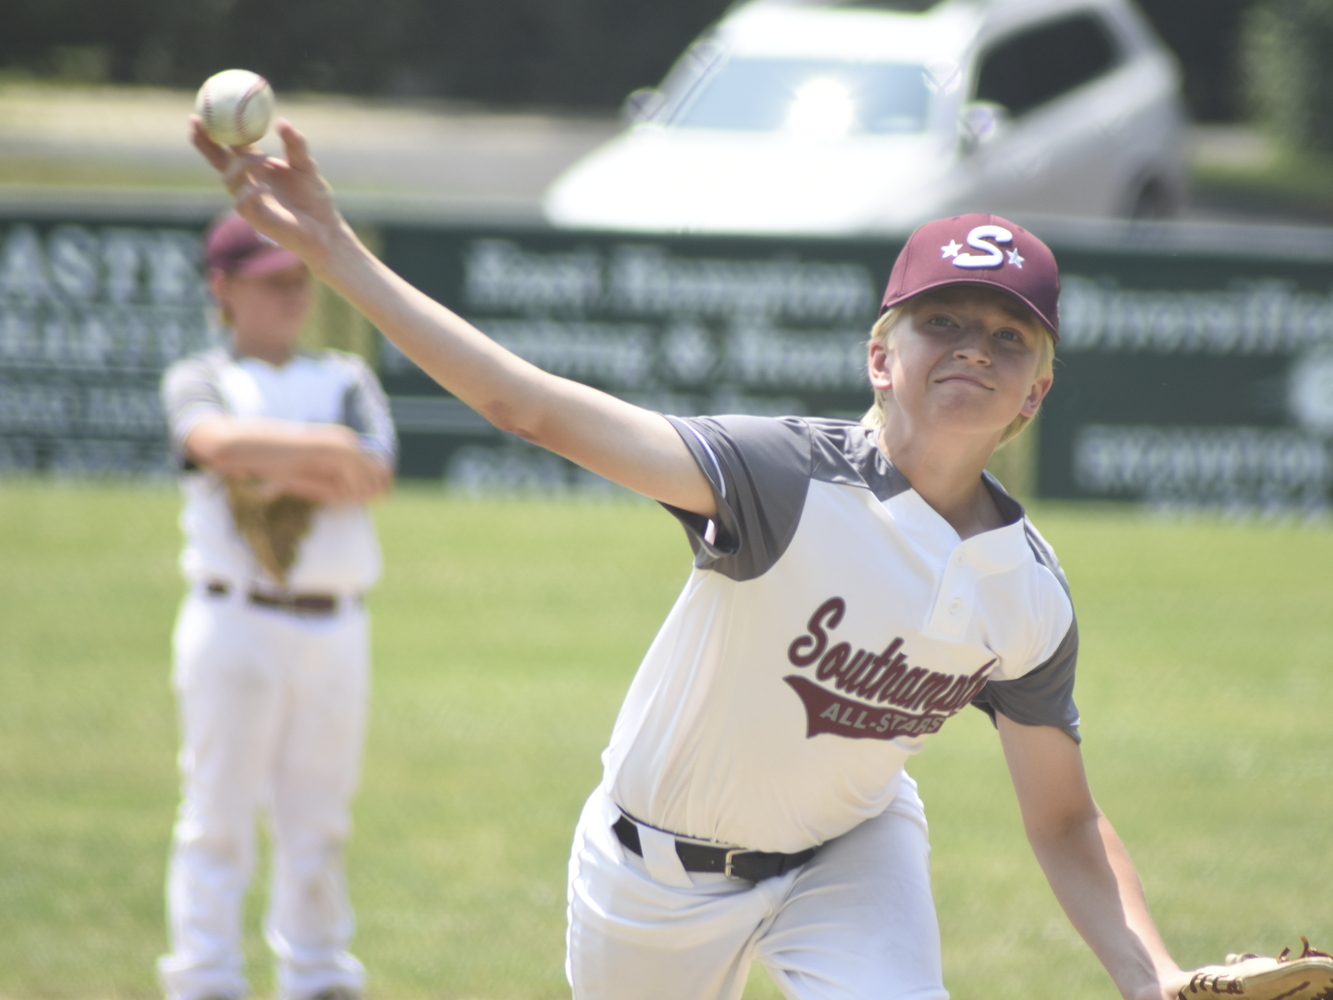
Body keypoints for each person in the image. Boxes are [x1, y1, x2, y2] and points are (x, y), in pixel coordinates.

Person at [191, 117, 1193, 1000]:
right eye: (944, 321)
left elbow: (1064, 818)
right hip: (651, 875)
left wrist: (1155, 979)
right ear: (881, 357)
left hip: (852, 846)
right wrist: (337, 255)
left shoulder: (1029, 591)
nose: (976, 347)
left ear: (1036, 394)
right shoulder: (783, 479)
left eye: (1009, 338)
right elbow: (526, 407)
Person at [157, 212, 395, 1000]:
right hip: (234, 618)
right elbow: (210, 443)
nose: (294, 292)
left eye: (299, 277)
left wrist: (277, 462)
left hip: (335, 622)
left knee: (320, 820)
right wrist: (323, 452)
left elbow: (371, 475)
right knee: (217, 814)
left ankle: (319, 975)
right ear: (223, 288)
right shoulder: (202, 375)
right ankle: (205, 979)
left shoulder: (344, 376)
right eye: (272, 279)